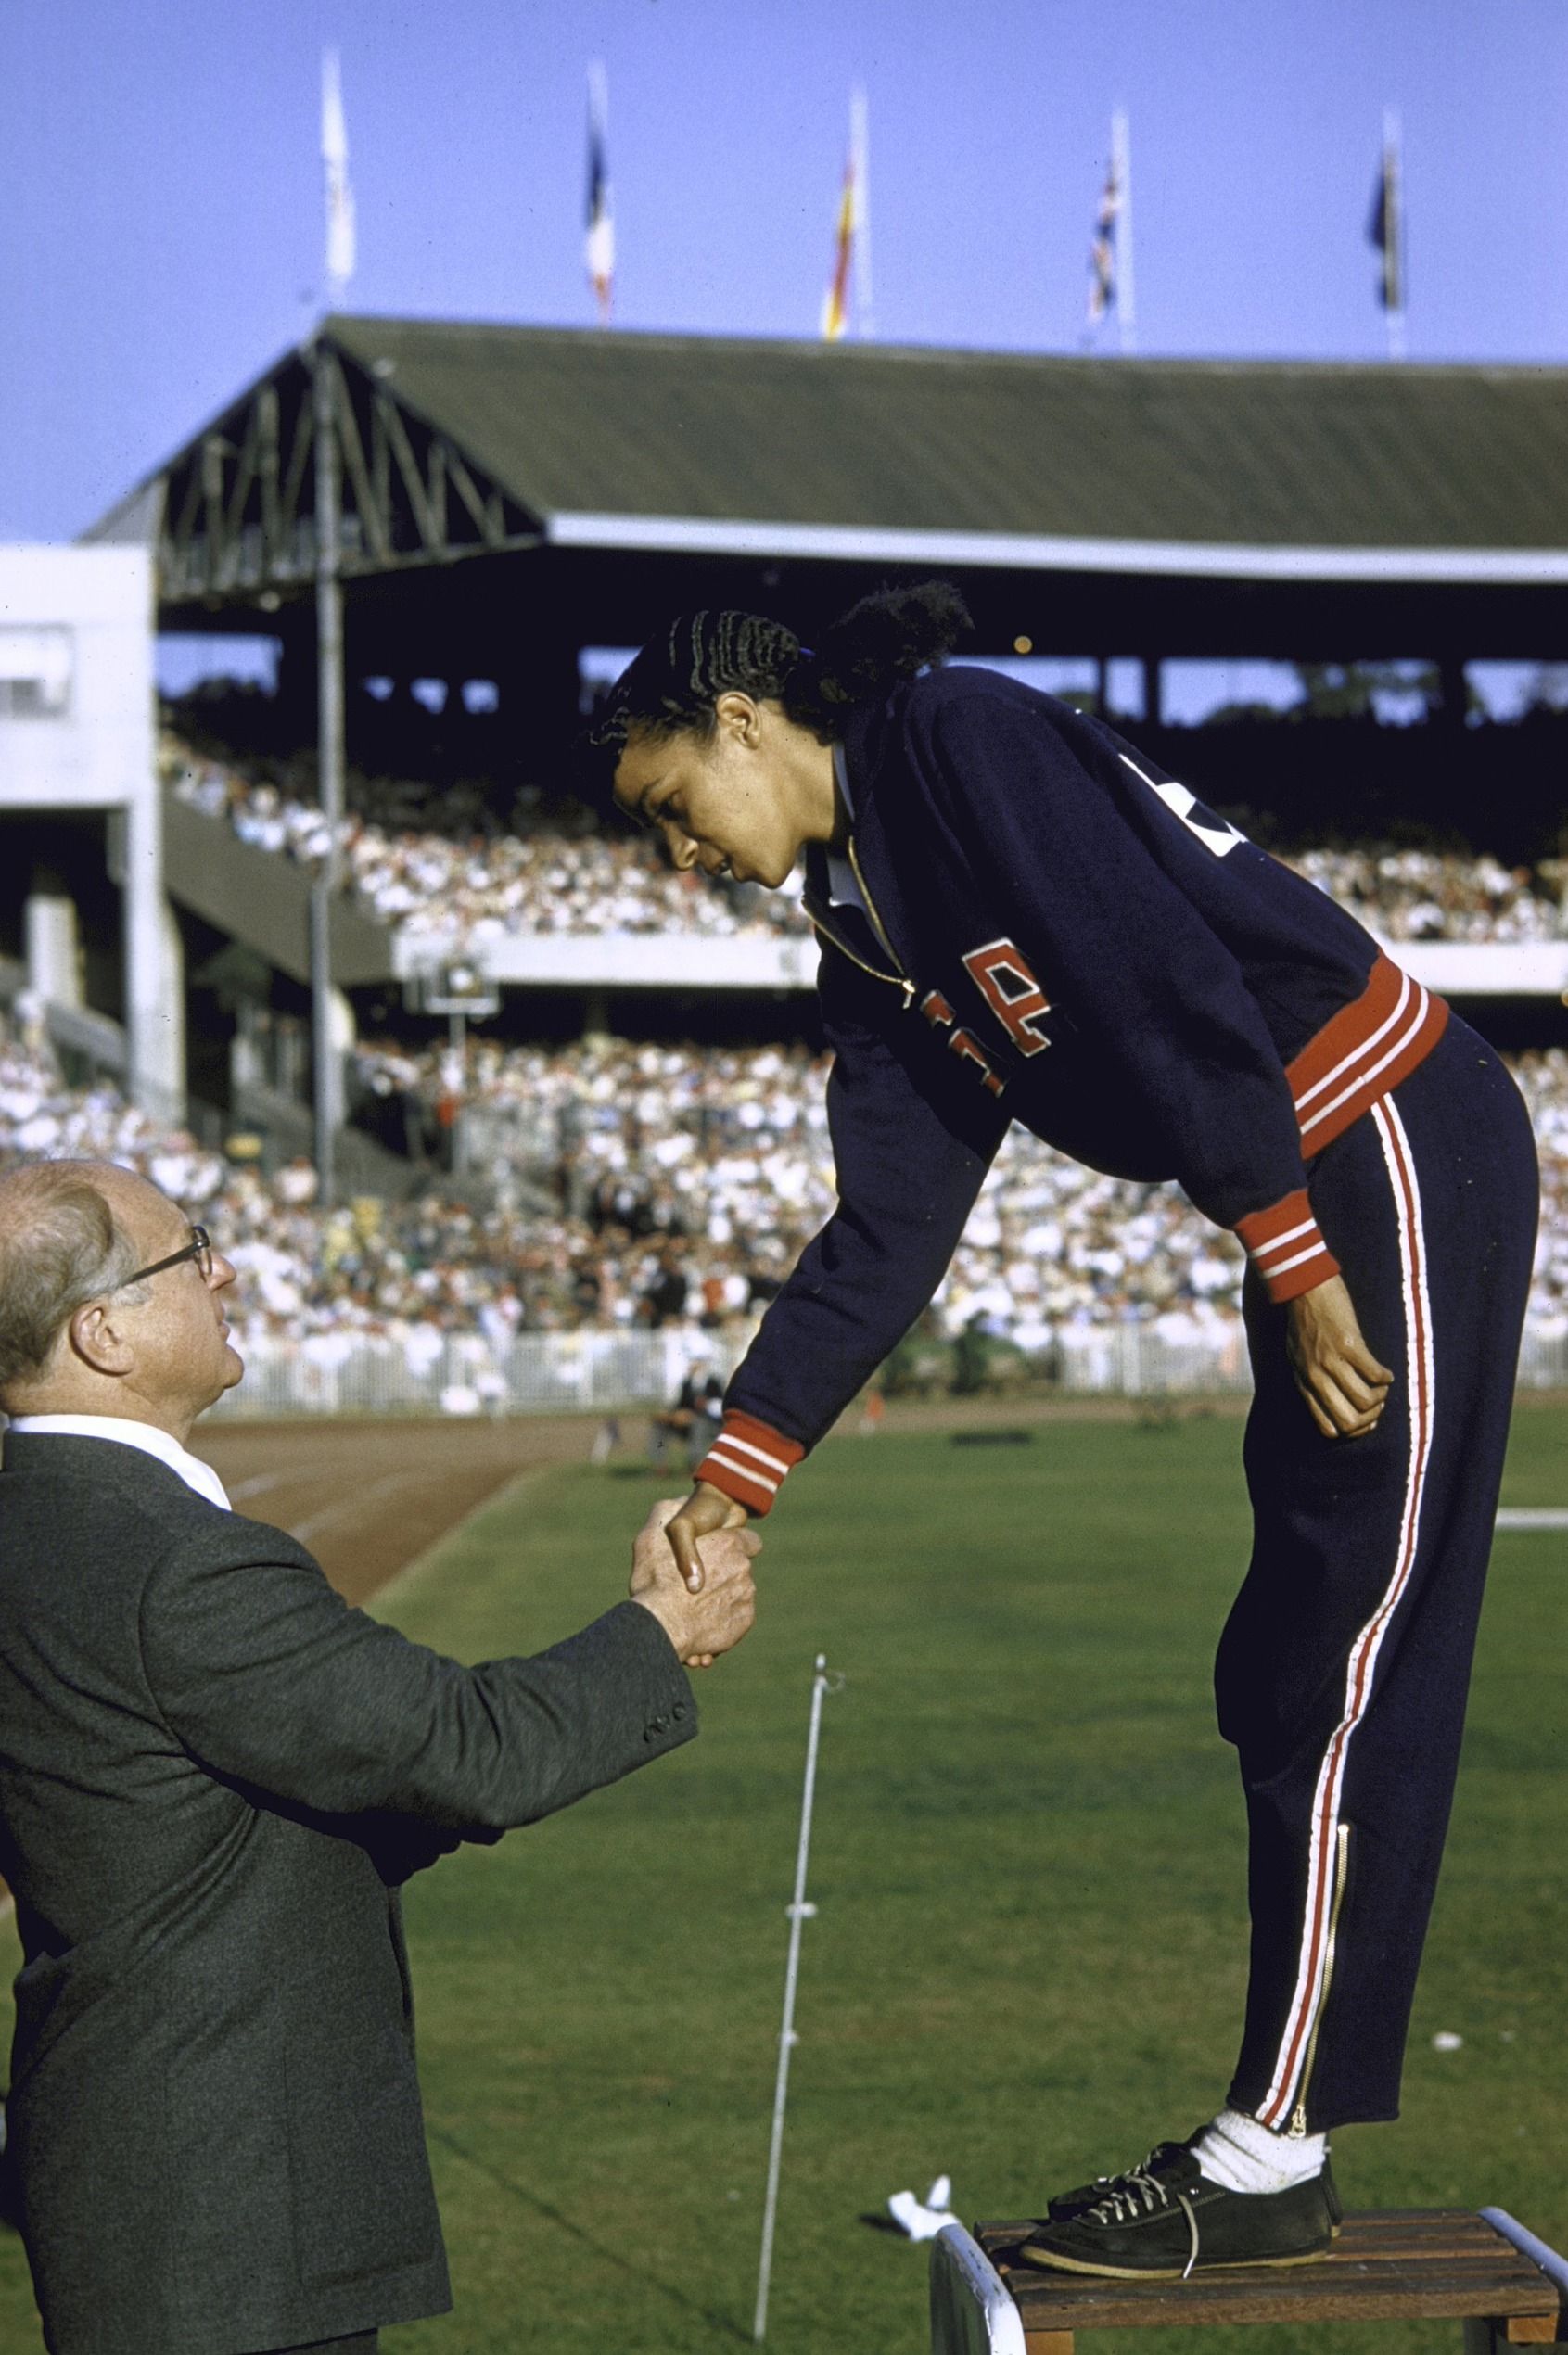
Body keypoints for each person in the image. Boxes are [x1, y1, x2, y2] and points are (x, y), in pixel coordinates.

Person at [589, 585, 1538, 2279]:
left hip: (1378, 1132)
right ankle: (1277, 2131)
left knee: (1350, 1647)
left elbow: (1155, 968)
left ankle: (1272, 2151)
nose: (682, 854)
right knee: (1278, 1663)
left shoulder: (949, 735)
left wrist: (1293, 1251)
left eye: (670, 807)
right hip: (1307, 1183)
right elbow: (887, 1227)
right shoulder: (869, 920)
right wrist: (736, 1482)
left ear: (738, 721)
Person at [0, 1157, 759, 2355]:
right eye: (191, 1253)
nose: (226, 1270)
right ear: (104, 1335)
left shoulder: (33, 1518)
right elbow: (465, 1747)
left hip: (140, 2191)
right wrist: (664, 1634)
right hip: (225, 2213)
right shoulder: (178, 1563)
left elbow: (230, 1820)